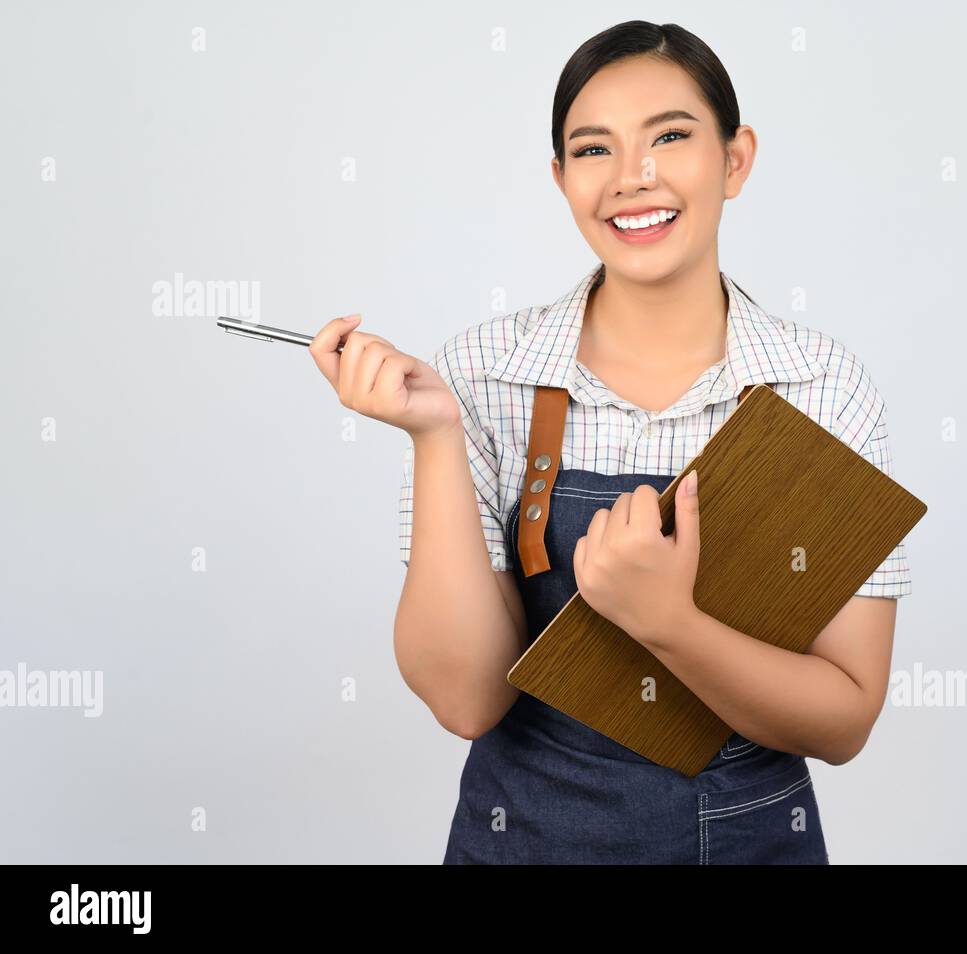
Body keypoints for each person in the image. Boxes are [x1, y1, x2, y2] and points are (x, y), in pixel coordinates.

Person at [309, 20, 912, 864]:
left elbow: (846, 719)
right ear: (561, 179)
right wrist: (436, 436)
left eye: (670, 135)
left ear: (735, 159)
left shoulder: (822, 385)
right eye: (594, 150)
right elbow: (464, 699)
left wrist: (670, 624)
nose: (635, 177)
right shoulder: (481, 375)